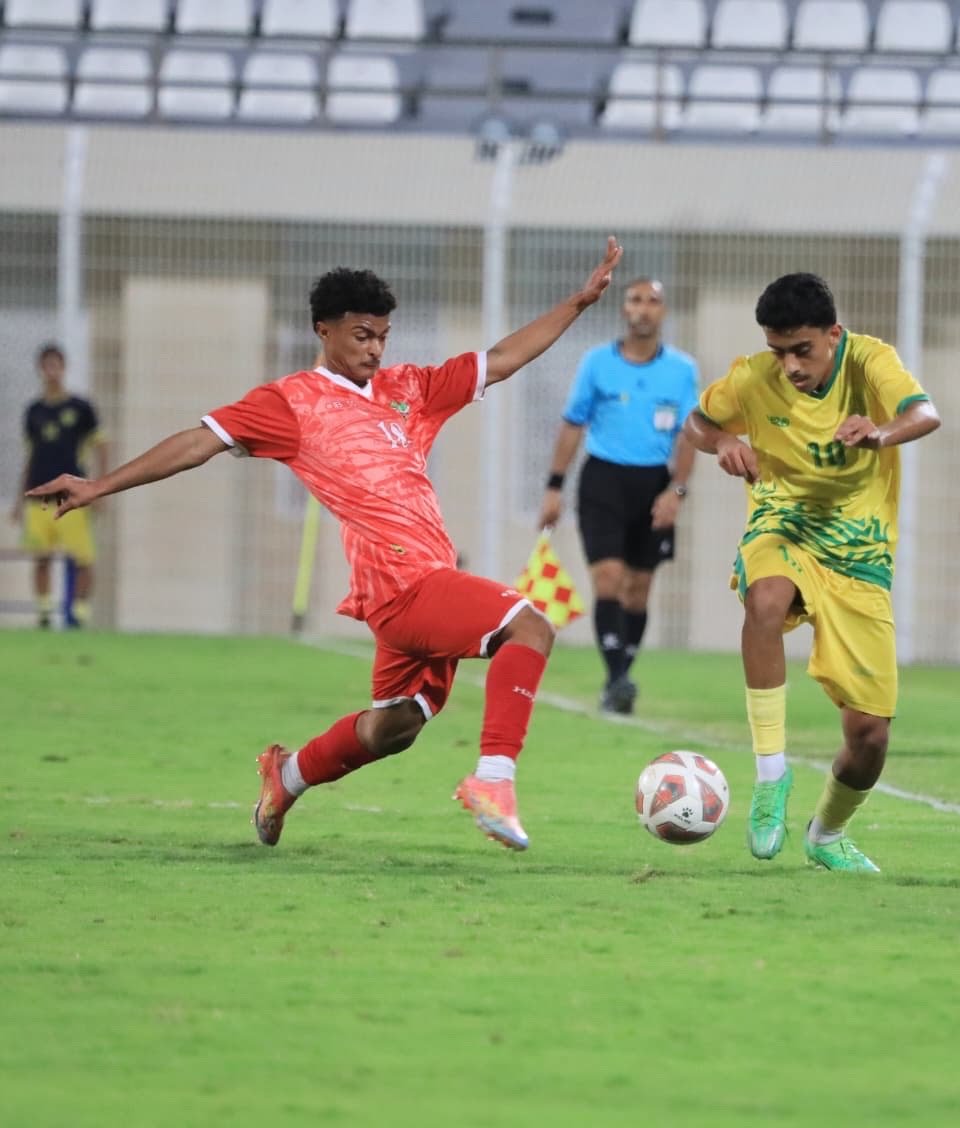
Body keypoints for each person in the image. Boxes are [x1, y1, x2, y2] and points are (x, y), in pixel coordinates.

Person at [28, 237, 624, 852]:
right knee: (530, 626)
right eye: (362, 335)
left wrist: (577, 303)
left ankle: (286, 777)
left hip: (412, 585)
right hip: (405, 585)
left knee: (395, 727)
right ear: (324, 330)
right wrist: (99, 484)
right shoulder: (290, 404)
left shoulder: (410, 388)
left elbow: (499, 360)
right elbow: (196, 443)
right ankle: (493, 780)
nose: (375, 348)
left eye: (383, 336)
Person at [683, 273, 940, 873]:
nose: (791, 366)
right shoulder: (754, 377)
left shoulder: (870, 361)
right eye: (779, 352)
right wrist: (722, 442)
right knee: (766, 601)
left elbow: (924, 413)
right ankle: (771, 775)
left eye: (802, 350)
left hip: (859, 549)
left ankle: (826, 833)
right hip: (784, 521)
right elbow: (695, 423)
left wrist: (879, 432)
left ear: (833, 334)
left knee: (869, 736)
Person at [537, 276, 699, 715]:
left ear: (663, 311)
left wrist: (676, 491)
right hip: (603, 480)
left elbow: (690, 433)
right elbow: (573, 423)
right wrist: (553, 488)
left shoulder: (682, 369)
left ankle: (620, 676)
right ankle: (617, 679)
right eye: (635, 300)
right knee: (608, 579)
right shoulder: (597, 363)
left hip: (654, 483)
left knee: (638, 589)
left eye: (652, 301)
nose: (643, 308)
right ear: (625, 309)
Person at [10, 343, 106, 629]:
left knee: (82, 557)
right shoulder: (34, 411)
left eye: (56, 365)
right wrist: (19, 500)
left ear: (64, 368)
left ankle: (79, 613)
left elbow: (101, 446)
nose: (51, 371)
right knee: (42, 557)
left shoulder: (81, 408)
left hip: (71, 496)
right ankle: (44, 613)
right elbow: (30, 456)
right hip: (39, 497)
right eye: (46, 365)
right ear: (40, 369)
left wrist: (100, 488)